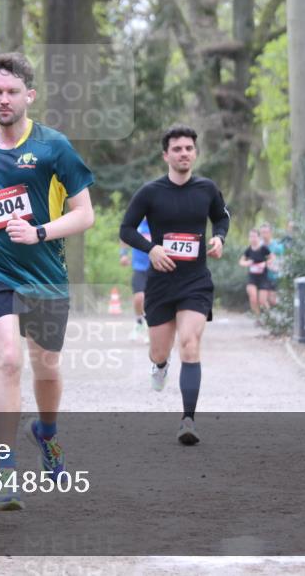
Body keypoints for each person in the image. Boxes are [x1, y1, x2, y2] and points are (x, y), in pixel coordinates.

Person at [0, 52, 95, 510]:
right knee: (9, 360)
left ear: (29, 96)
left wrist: (39, 231)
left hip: (46, 275)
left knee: (47, 367)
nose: (4, 99)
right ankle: (5, 467)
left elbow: (84, 214)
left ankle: (46, 434)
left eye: (12, 92)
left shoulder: (55, 147)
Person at [120, 126, 230, 446]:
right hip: (160, 283)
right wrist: (151, 248)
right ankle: (160, 365)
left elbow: (221, 218)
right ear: (165, 155)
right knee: (159, 350)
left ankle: (188, 420)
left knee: (190, 344)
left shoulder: (207, 189)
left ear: (195, 153)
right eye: (177, 149)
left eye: (189, 148)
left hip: (195, 281)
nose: (184, 153)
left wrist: (219, 237)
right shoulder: (150, 192)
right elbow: (126, 229)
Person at [119, 217, 151, 343]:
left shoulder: (160, 220)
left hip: (157, 268)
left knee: (151, 300)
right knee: (139, 297)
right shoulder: (137, 223)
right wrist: (123, 254)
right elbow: (124, 237)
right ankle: (139, 323)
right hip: (139, 267)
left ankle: (151, 329)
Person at [239, 228, 273, 316]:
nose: (252, 238)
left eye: (254, 236)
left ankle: (270, 318)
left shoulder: (263, 248)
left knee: (262, 301)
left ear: (258, 237)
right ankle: (257, 317)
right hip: (252, 277)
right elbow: (241, 262)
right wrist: (247, 263)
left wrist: (264, 263)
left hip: (263, 277)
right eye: (251, 236)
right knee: (253, 298)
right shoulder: (248, 250)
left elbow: (272, 258)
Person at [259, 222, 282, 307]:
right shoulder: (258, 245)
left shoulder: (277, 247)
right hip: (261, 277)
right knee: (262, 300)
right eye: (262, 232)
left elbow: (282, 261)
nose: (263, 235)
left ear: (270, 233)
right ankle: (266, 318)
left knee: (272, 301)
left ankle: (275, 317)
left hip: (274, 276)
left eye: (265, 232)